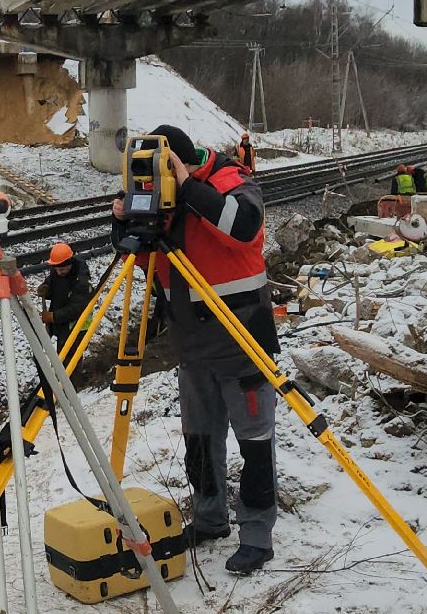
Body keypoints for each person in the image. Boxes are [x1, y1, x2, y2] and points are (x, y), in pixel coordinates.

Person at [110, 124, 277, 575]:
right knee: (199, 442)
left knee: (255, 443)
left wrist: (188, 188)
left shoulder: (231, 182)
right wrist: (125, 222)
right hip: (192, 345)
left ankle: (257, 536)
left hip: (243, 341)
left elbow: (245, 228)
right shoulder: (161, 195)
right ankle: (209, 518)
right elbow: (143, 259)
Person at [39, 241, 94, 350]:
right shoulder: (58, 270)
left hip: (75, 327)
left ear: (70, 264)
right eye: (57, 269)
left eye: (62, 269)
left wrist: (53, 316)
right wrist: (45, 288)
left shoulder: (81, 282)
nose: (59, 272)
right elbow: (52, 284)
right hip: (62, 323)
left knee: (68, 361)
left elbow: (76, 309)